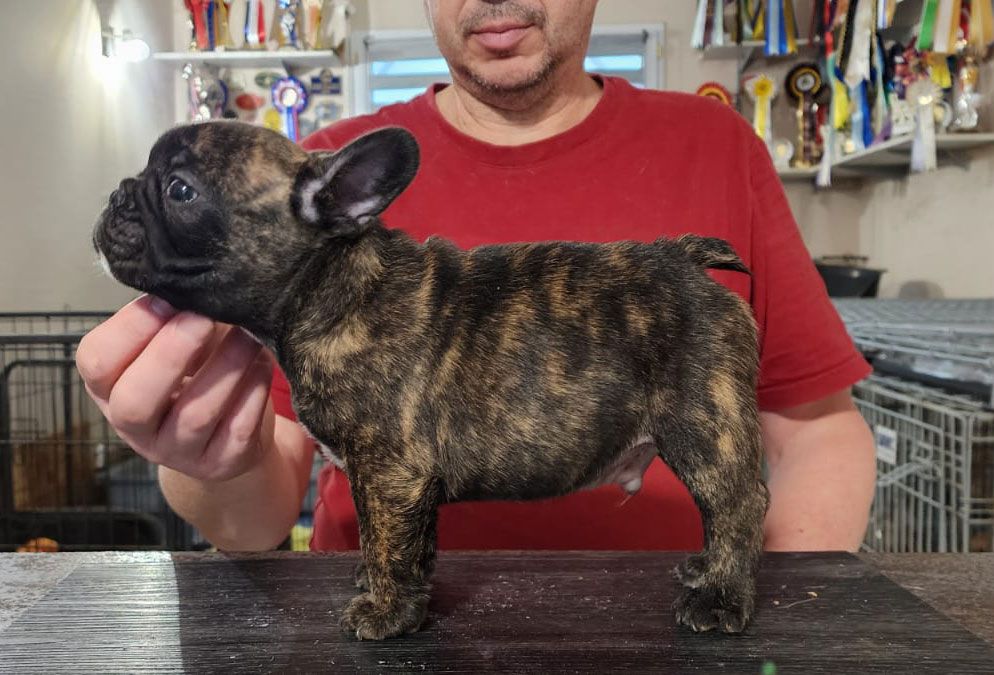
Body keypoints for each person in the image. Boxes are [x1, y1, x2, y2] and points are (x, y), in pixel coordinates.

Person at [77, 0, 876, 554]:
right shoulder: (303, 181)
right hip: (385, 628)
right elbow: (261, 503)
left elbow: (818, 431)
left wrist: (784, 618)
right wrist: (204, 455)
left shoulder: (717, 144)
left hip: (668, 626)